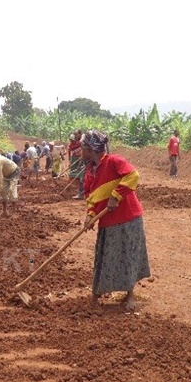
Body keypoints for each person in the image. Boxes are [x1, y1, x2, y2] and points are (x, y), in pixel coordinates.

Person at [80, 129, 151, 311]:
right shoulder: (89, 172)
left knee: (128, 255)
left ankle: (129, 295)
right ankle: (95, 296)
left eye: (82, 148)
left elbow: (133, 175)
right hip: (107, 221)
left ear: (91, 148)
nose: (80, 152)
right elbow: (90, 197)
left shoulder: (113, 161)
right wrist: (90, 215)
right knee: (104, 257)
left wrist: (116, 196)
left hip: (128, 217)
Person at [69, 130, 85, 199]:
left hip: (87, 159)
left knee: (83, 178)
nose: (75, 137)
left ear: (79, 134)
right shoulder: (82, 139)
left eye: (76, 135)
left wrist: (81, 163)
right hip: (84, 158)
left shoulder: (83, 141)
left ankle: (81, 194)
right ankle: (82, 193)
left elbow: (84, 152)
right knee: (83, 177)